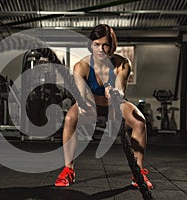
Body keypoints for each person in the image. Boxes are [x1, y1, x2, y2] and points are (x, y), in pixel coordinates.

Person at [54, 24, 153, 189]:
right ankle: (68, 170)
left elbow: (120, 91)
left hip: (114, 105)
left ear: (112, 46)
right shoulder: (82, 66)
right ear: (91, 45)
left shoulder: (122, 64)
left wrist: (114, 91)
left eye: (105, 44)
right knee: (70, 118)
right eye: (96, 44)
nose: (100, 49)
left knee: (139, 122)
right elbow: (81, 95)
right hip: (90, 105)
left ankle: (138, 173)